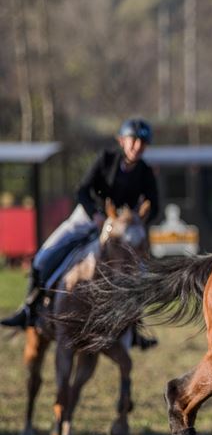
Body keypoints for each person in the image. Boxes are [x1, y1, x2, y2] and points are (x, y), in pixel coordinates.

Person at [2, 118, 160, 337]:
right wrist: (95, 214)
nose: (137, 146)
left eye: (143, 142)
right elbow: (82, 190)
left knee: (141, 273)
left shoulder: (145, 171)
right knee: (42, 258)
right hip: (88, 219)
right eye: (133, 140)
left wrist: (136, 220)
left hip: (121, 230)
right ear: (122, 141)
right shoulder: (106, 159)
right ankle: (29, 309)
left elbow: (155, 205)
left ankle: (133, 328)